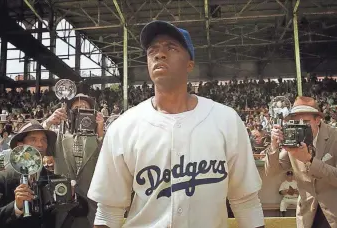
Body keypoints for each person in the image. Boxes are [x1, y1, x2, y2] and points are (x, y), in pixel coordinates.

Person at [87, 20, 265, 228]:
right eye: (152, 49)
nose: (159, 54)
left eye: (171, 48)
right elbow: (109, 211)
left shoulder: (226, 120)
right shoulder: (124, 126)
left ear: (190, 64)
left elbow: (245, 201)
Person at [265, 96, 337, 228]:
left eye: (306, 121)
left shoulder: (335, 137)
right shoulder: (292, 139)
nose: (301, 126)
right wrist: (274, 146)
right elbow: (272, 172)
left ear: (318, 120)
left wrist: (309, 160)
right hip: (307, 215)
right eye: (296, 122)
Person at [42, 93, 105, 228]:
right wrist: (48, 121)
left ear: (93, 113)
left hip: (92, 207)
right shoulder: (58, 136)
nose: (80, 111)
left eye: (84, 107)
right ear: (69, 112)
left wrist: (100, 133)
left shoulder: (100, 137)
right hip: (63, 206)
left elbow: (109, 161)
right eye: (76, 107)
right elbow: (33, 146)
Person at [0, 120, 57, 228]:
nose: (40, 144)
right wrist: (16, 207)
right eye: (33, 139)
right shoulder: (0, 178)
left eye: (44, 140)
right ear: (20, 145)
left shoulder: (53, 179)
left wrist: (71, 197)